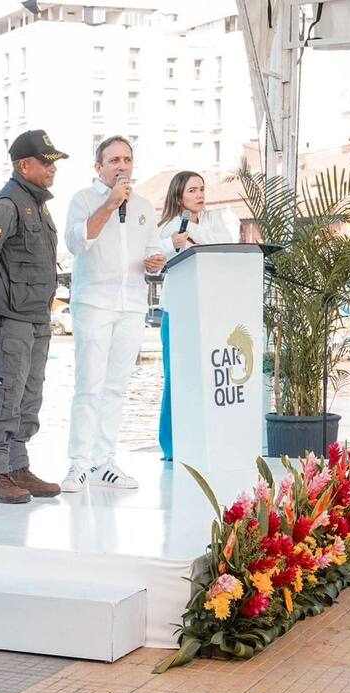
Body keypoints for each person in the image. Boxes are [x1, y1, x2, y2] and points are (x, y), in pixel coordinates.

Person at [61, 136, 167, 492]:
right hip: (94, 302)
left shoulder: (143, 206)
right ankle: (78, 464)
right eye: (114, 160)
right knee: (89, 385)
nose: (122, 165)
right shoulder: (83, 200)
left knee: (117, 387)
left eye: (127, 159)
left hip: (132, 304)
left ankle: (103, 461)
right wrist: (108, 204)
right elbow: (77, 243)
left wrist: (156, 260)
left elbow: (152, 249)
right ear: (99, 167)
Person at [0, 129, 68, 503]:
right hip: (10, 319)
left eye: (53, 163)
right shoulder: (6, 204)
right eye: (46, 162)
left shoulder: (38, 205)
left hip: (36, 319)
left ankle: (17, 465)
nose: (52, 169)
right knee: (7, 396)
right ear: (24, 165)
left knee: (30, 397)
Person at [156, 170, 238, 459]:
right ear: (178, 194)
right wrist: (187, 232)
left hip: (210, 307)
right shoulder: (167, 226)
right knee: (175, 376)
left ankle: (207, 438)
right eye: (192, 190)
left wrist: (192, 230)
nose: (199, 195)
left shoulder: (213, 218)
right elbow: (163, 255)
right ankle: (171, 444)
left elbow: (222, 244)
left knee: (209, 376)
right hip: (178, 308)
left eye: (201, 189)